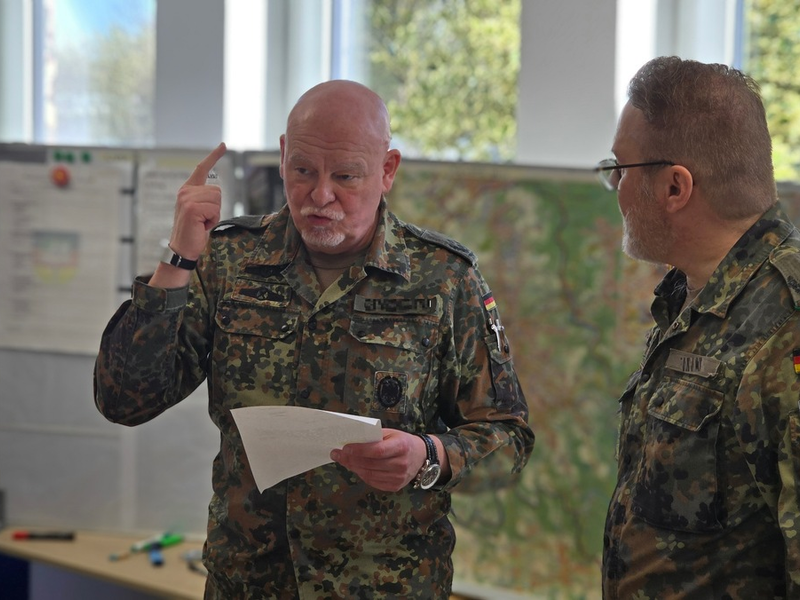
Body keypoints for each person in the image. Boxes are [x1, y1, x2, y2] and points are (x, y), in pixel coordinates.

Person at [94, 80, 534, 599]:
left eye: (345, 176)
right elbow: (124, 400)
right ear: (282, 156)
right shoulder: (230, 262)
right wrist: (179, 259)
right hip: (249, 583)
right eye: (303, 171)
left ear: (387, 170)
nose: (320, 196)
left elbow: (509, 439)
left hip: (385, 587)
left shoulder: (444, 280)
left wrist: (430, 456)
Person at [598, 55, 800, 598]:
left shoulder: (785, 325)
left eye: (620, 167)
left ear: (674, 188)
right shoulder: (694, 294)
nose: (614, 185)